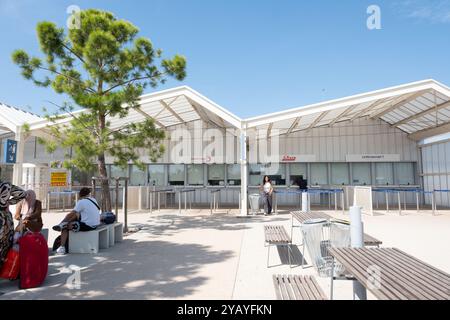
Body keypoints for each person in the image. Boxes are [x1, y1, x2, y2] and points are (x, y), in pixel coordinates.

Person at [52, 187, 100, 255]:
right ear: (88, 194)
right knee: (77, 215)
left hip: (88, 225)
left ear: (80, 195)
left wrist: (64, 221)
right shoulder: (93, 200)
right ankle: (62, 224)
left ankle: (62, 248)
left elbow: (71, 213)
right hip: (96, 224)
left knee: (65, 227)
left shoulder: (81, 202)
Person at [0, 181, 26, 269]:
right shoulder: (5, 185)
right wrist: (8, 202)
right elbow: (22, 193)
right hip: (4, 217)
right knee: (5, 244)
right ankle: (5, 269)